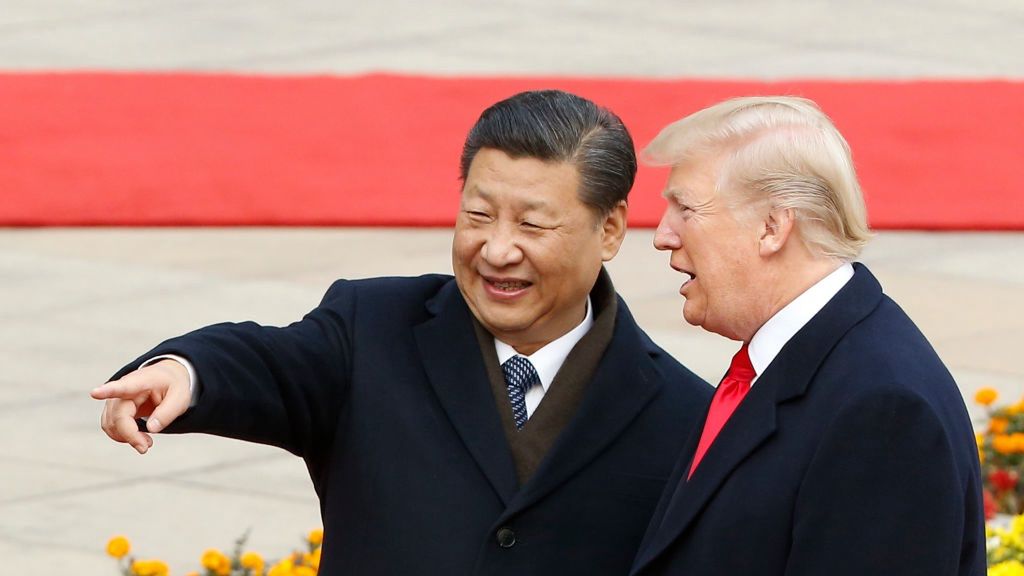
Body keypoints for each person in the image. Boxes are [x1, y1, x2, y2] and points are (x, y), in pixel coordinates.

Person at [91, 90, 712, 576]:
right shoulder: (376, 329)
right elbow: (272, 361)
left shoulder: (686, 415)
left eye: (533, 225)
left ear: (609, 230)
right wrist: (184, 371)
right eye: (477, 214)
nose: (496, 250)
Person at [629, 96, 985, 576]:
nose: (662, 235)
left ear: (772, 227)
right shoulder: (797, 360)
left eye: (686, 209)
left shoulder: (883, 409)